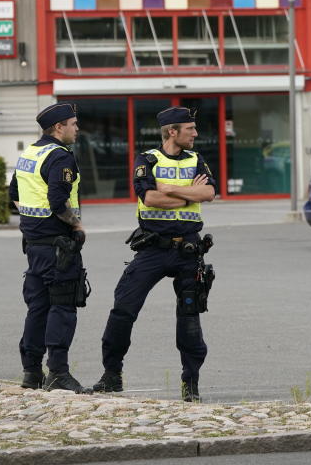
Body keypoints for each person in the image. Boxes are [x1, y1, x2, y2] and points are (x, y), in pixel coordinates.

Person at [89, 106, 217, 402]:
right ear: (172, 131)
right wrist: (188, 193)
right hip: (152, 249)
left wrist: (170, 188)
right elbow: (149, 197)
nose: (196, 134)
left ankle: (190, 384)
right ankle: (111, 376)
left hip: (188, 248)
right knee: (123, 308)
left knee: (189, 316)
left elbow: (209, 193)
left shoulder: (197, 160)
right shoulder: (147, 159)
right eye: (190, 129)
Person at [8, 101, 89, 393]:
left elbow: (14, 195)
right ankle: (58, 372)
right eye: (73, 123)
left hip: (34, 245)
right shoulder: (60, 156)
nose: (77, 128)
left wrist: (33, 222)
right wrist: (76, 225)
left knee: (37, 309)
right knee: (63, 307)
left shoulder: (29, 153)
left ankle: (31, 373)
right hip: (59, 247)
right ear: (59, 127)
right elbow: (57, 201)